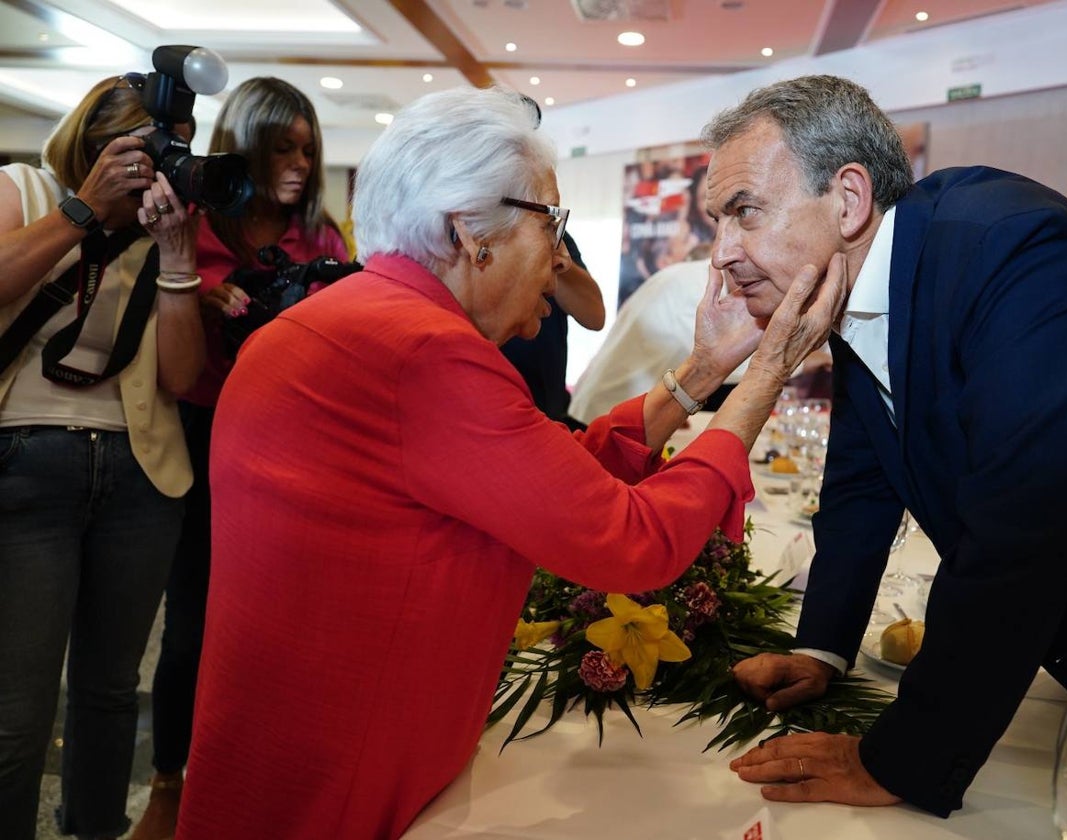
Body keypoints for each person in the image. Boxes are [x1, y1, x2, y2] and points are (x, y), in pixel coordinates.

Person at [174, 85, 842, 840]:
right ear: (469, 233)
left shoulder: (356, 318)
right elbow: (630, 541)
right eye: (550, 222)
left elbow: (545, 475)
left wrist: (701, 371)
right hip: (345, 769)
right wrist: (760, 379)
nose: (559, 256)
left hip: (285, 733)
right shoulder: (422, 349)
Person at [704, 75, 1067, 816]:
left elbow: (1019, 527)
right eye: (716, 222)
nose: (721, 254)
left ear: (848, 199)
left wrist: (903, 760)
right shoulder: (864, 284)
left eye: (743, 212)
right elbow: (861, 482)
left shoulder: (1011, 245)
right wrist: (822, 648)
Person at [130, 76, 348, 840]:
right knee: (190, 624)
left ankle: (264, 775)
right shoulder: (195, 221)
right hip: (200, 436)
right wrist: (198, 297)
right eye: (282, 148)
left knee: (283, 625)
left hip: (294, 450)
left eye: (308, 149)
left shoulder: (322, 240)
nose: (299, 164)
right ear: (246, 146)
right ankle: (167, 784)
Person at [0, 73, 204, 840]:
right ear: (94, 141)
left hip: (138, 474)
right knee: (17, 714)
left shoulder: (157, 233)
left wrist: (177, 257)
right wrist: (82, 211)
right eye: (140, 151)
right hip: (25, 462)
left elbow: (181, 379)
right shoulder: (21, 187)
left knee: (112, 692)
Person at [568, 251, 831, 425]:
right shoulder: (694, 287)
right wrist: (803, 360)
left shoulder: (693, 279)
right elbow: (720, 358)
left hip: (628, 411)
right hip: (603, 414)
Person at [499, 230, 604, 429]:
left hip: (550, 414)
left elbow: (594, 316)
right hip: (500, 415)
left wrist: (548, 243)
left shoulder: (555, 238)